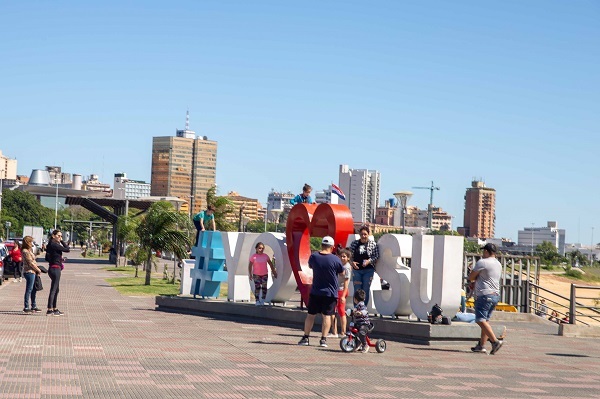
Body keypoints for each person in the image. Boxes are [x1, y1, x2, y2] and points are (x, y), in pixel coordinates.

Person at [298, 236, 343, 348]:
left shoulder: (314, 257)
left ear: (322, 245)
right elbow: (341, 272)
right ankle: (323, 339)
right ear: (332, 247)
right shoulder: (335, 259)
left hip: (316, 291)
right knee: (326, 316)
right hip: (330, 293)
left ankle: (306, 337)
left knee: (310, 315)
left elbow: (310, 266)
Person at [468, 243, 504, 355]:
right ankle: (481, 346)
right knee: (485, 320)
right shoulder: (498, 264)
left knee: (480, 320)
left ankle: (495, 341)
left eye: (484, 251)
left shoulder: (482, 262)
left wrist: (474, 279)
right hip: (495, 295)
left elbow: (471, 277)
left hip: (484, 295)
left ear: (487, 252)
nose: (483, 253)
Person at [349, 226, 379, 307]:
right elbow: (349, 256)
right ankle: (356, 308)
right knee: (357, 290)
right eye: (362, 234)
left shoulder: (373, 244)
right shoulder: (354, 243)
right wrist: (352, 263)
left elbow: (376, 256)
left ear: (368, 234)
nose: (363, 236)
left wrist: (369, 261)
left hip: (368, 270)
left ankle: (363, 308)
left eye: (365, 234)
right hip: (357, 270)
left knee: (365, 290)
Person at [45, 229, 70, 316]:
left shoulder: (50, 245)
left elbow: (47, 258)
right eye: (58, 236)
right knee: (54, 289)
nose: (60, 237)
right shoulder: (54, 245)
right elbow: (67, 249)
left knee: (56, 289)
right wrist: (62, 241)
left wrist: (58, 259)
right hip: (55, 269)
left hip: (53, 267)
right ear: (53, 236)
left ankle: (54, 308)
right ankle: (49, 309)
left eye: (61, 236)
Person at [329, 248, 352, 338]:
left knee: (341, 311)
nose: (342, 258)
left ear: (348, 258)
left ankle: (343, 332)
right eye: (341, 256)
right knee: (332, 311)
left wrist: (343, 295)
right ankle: (334, 331)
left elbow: (346, 283)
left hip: (341, 290)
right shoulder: (338, 265)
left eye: (344, 256)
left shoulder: (346, 268)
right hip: (335, 290)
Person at [21, 236, 43, 314]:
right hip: (29, 271)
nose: (32, 244)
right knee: (29, 289)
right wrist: (38, 269)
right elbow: (30, 262)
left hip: (33, 271)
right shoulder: (25, 251)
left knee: (34, 289)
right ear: (27, 242)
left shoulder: (28, 250)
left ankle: (33, 305)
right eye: (31, 242)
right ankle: (26, 307)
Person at [350, 289, 371, 353]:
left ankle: (365, 345)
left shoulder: (362, 305)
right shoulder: (357, 306)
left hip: (365, 324)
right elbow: (354, 310)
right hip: (358, 323)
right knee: (353, 330)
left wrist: (361, 313)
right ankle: (357, 344)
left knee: (361, 332)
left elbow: (365, 311)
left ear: (355, 299)